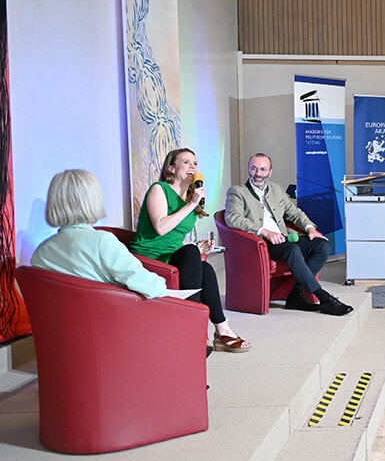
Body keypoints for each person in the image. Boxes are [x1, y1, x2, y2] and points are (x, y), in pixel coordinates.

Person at [129, 148, 250, 352]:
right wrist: (191, 205)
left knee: (205, 268)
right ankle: (193, 329)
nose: (192, 167)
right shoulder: (159, 189)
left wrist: (194, 246)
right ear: (171, 168)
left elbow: (176, 237)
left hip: (171, 255)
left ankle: (222, 329)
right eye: (186, 162)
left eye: (195, 163)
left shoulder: (189, 197)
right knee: (194, 256)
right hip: (150, 256)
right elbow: (161, 228)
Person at [225, 153, 352, 316]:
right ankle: (324, 298)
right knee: (292, 249)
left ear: (270, 172)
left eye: (263, 169)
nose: (258, 174)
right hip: (260, 243)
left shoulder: (276, 189)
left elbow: (294, 212)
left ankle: (296, 294)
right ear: (248, 169)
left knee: (322, 246)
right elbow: (233, 218)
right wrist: (264, 231)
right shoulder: (237, 191)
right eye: (254, 169)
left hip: (284, 239)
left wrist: (309, 228)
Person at [31, 169, 167, 299]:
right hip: (115, 314)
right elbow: (152, 287)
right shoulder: (102, 241)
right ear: (93, 201)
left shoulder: (41, 252)